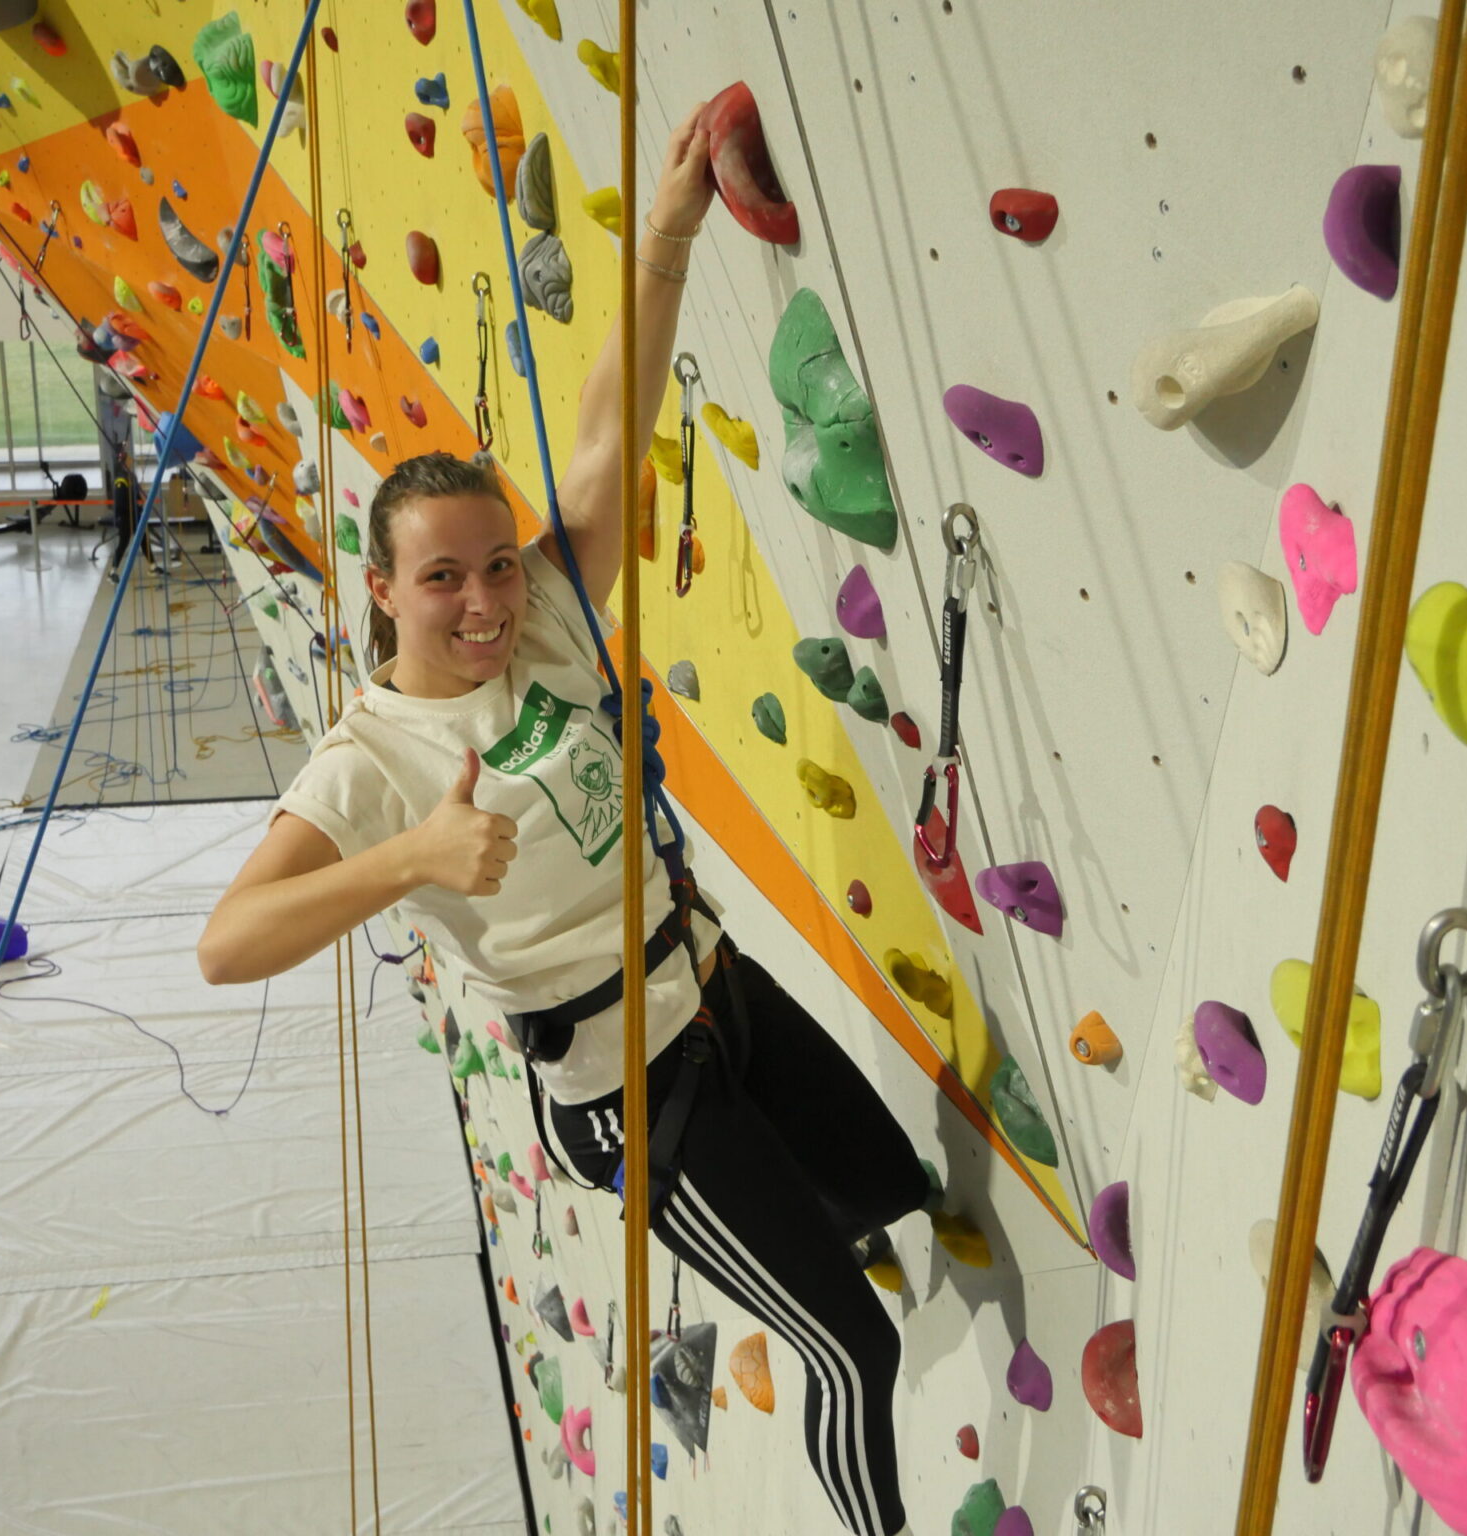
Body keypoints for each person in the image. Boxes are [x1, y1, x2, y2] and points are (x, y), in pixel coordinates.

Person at [199, 107, 930, 1536]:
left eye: (491, 564)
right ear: (382, 591)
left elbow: (609, 424)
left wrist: (669, 228)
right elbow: (228, 946)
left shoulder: (540, 620)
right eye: (441, 582)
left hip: (713, 986)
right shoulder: (368, 761)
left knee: (881, 1187)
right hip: (633, 1091)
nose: (480, 603)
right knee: (856, 1347)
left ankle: (799, 1235)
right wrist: (409, 859)